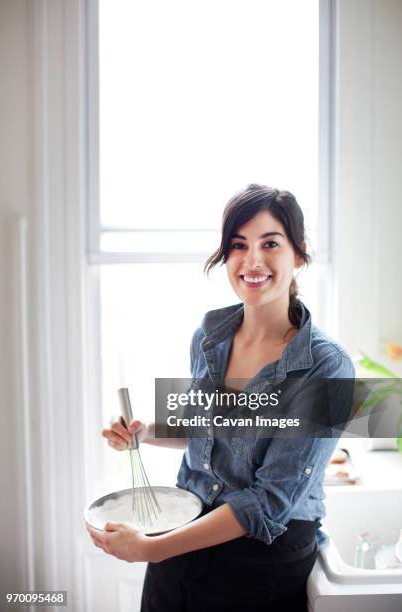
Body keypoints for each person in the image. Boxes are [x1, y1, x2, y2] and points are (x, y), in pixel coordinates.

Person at [87, 184, 355, 612]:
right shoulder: (210, 336)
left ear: (299, 254)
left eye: (270, 243)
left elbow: (269, 502)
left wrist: (152, 549)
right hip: (182, 532)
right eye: (238, 245)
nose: (252, 261)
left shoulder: (326, 367)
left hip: (259, 559)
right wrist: (144, 433)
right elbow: (207, 431)